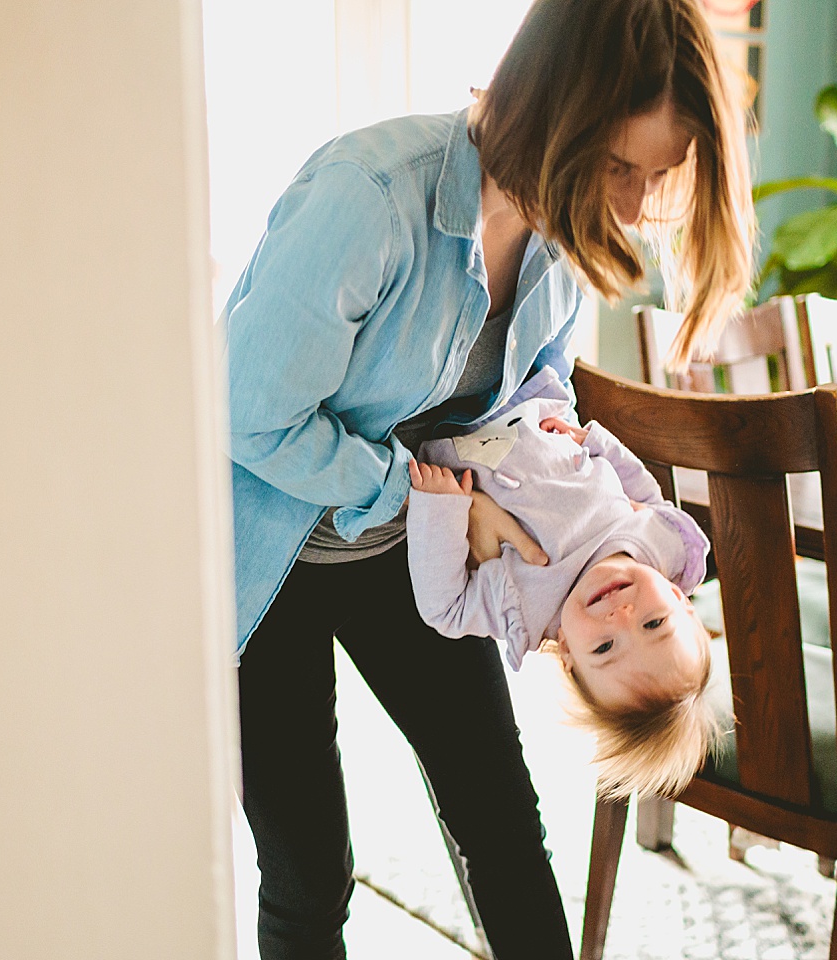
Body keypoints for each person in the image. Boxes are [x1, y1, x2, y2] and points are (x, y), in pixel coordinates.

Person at [223, 0, 754, 954]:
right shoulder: (370, 196)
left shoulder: (560, 235)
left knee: (503, 825)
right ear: (553, 108)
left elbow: (527, 377)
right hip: (271, 555)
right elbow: (248, 413)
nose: (632, 209)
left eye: (656, 176)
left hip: (428, 540)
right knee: (309, 866)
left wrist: (547, 442)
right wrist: (428, 506)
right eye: (620, 168)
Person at [406, 365, 717, 800]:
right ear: (679, 598)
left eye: (604, 647)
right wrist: (594, 442)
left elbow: (445, 611)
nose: (621, 617)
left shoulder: (526, 608)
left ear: (569, 653)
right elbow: (647, 492)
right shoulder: (661, 546)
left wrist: (439, 509)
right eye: (653, 624)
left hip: (447, 420)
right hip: (532, 391)